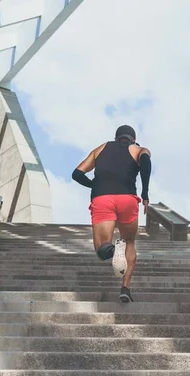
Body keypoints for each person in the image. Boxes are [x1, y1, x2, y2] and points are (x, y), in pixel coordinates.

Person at [71, 125, 152, 303]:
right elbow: (145, 163)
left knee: (102, 250)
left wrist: (95, 185)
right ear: (133, 138)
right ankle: (125, 288)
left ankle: (112, 249)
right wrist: (145, 193)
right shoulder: (139, 149)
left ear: (116, 138)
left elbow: (77, 174)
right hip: (127, 200)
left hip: (102, 199)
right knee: (130, 241)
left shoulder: (100, 149)